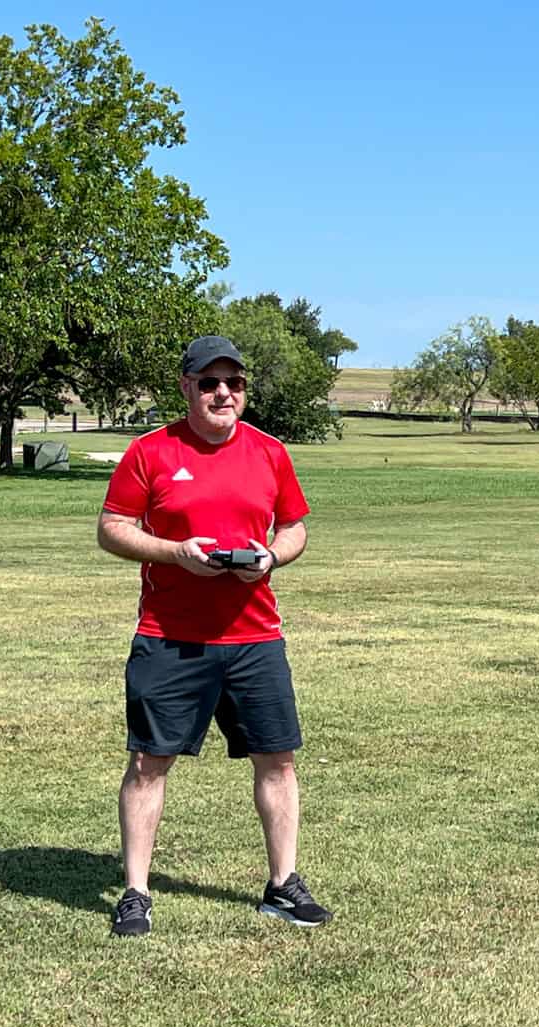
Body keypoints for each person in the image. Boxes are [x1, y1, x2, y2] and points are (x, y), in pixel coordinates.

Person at [96, 334, 331, 937]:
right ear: (187, 388)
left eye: (234, 383)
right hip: (170, 637)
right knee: (149, 762)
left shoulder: (270, 452)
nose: (223, 393)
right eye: (210, 382)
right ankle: (135, 893)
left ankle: (283, 885)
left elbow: (295, 527)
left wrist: (271, 557)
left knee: (277, 762)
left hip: (255, 639)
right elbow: (112, 528)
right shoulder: (151, 451)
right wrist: (176, 552)